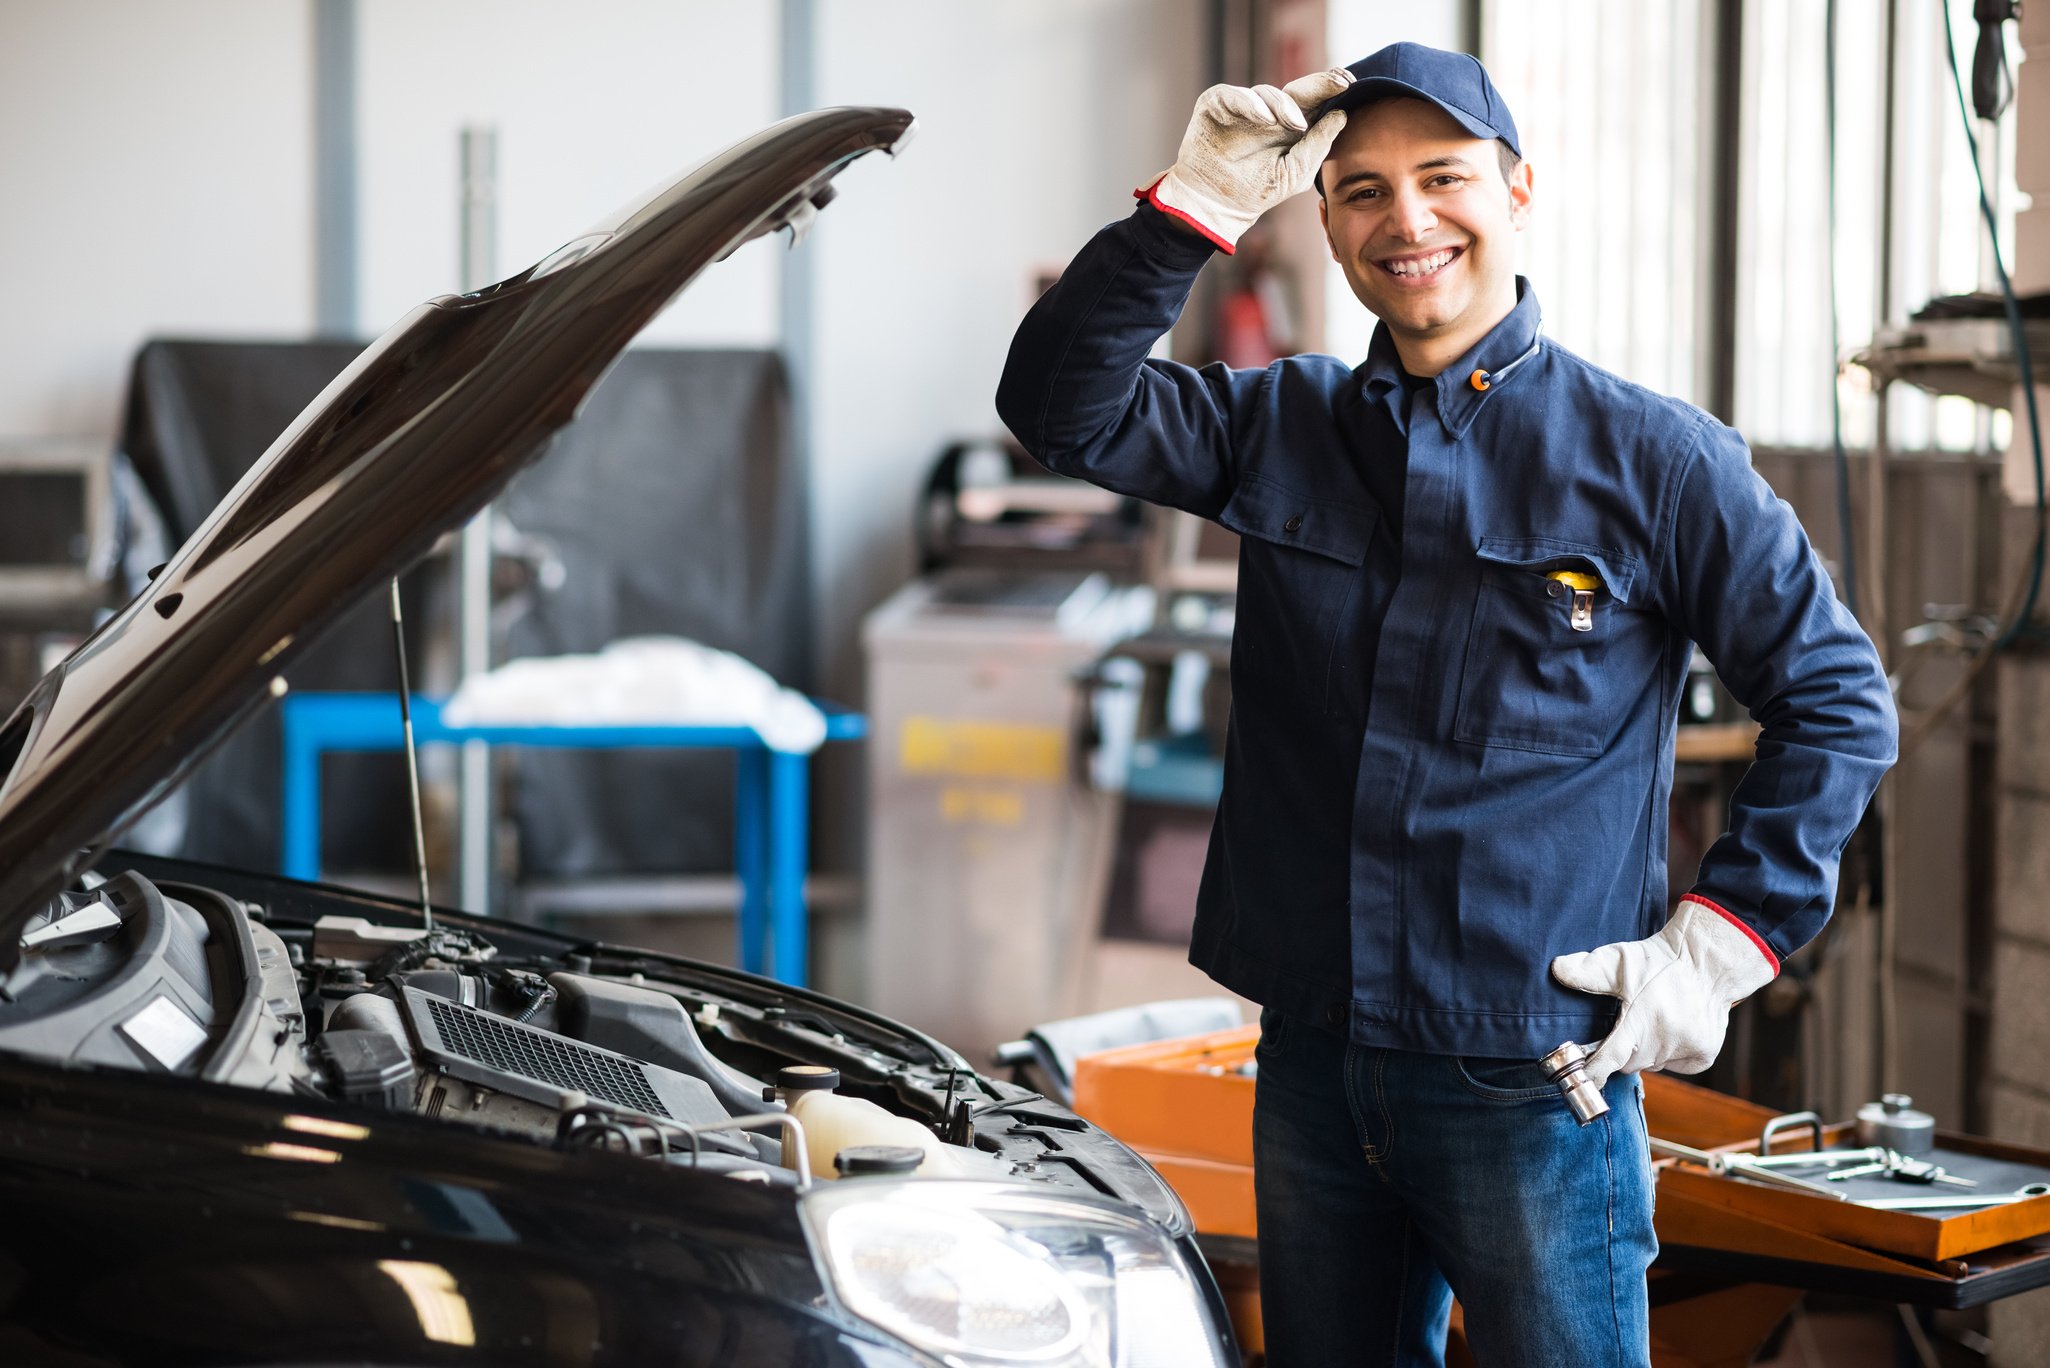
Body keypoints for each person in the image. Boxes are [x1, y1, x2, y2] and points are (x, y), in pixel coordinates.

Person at [995, 41, 1896, 1368]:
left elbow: (1835, 699)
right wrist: (1187, 209)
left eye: (1440, 177)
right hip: (1311, 1058)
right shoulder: (1284, 423)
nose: (1404, 220)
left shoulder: (1652, 459)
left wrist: (1720, 941)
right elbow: (1057, 409)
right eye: (1360, 190)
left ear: (1517, 190)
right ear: (1323, 220)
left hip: (1530, 1074)